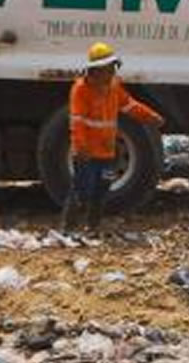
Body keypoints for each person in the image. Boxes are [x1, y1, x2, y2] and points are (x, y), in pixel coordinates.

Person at [63, 42, 164, 231]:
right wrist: (80, 148)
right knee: (81, 191)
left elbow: (129, 106)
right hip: (87, 155)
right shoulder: (81, 90)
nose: (111, 73)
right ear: (95, 70)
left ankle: (92, 228)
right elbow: (77, 122)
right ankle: (68, 229)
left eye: (113, 68)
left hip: (108, 154)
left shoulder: (114, 87)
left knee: (101, 191)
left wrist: (150, 117)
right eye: (108, 69)